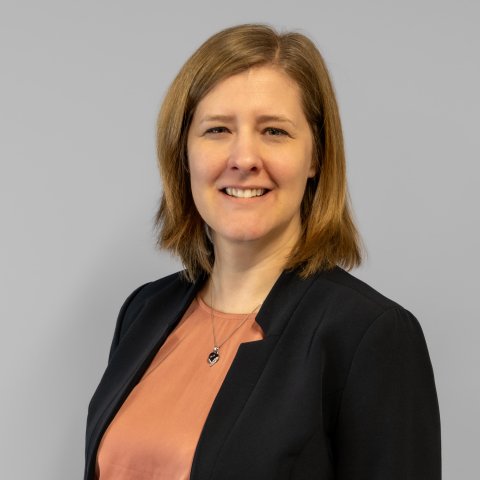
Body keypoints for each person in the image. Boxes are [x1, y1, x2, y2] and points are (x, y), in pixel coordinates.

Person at [84, 24, 441, 480]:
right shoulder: (143, 312)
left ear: (316, 157)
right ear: (183, 153)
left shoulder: (369, 336)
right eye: (217, 129)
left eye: (274, 131)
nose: (244, 157)